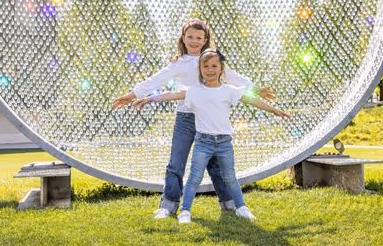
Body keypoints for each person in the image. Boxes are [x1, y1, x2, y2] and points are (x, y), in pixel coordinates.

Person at [112, 19, 274, 219]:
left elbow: (234, 78)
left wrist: (255, 88)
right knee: (176, 162)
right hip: (186, 119)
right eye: (190, 37)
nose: (194, 41)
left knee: (215, 164)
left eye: (199, 37)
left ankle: (229, 202)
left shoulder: (212, 59)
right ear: (183, 38)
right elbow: (156, 79)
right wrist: (133, 94)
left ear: (206, 39)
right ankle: (169, 204)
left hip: (209, 119)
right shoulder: (179, 63)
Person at [131, 49, 290, 223]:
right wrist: (148, 99)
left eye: (214, 66)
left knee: (229, 176)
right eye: (205, 66)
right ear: (200, 70)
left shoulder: (229, 90)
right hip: (203, 142)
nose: (210, 69)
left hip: (224, 143)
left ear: (221, 68)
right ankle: (185, 211)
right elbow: (173, 95)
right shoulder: (194, 90)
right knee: (194, 177)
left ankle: (241, 207)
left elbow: (251, 99)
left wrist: (273, 110)